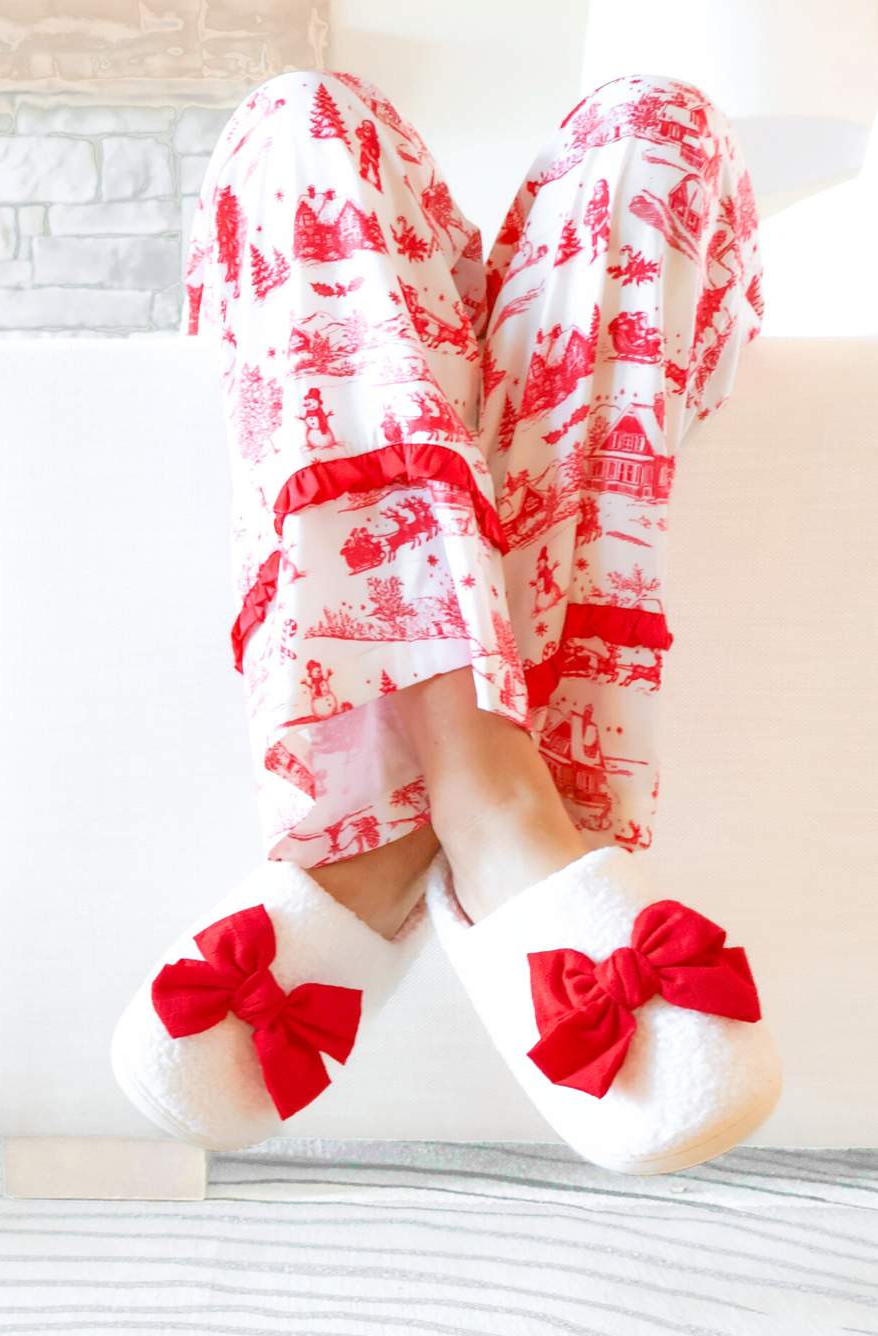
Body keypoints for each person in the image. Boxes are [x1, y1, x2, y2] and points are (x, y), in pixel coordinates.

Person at [110, 70, 782, 1172]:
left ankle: (410, 801)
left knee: (659, 121)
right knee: (297, 116)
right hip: (396, 324)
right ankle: (491, 791)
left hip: (608, 302)